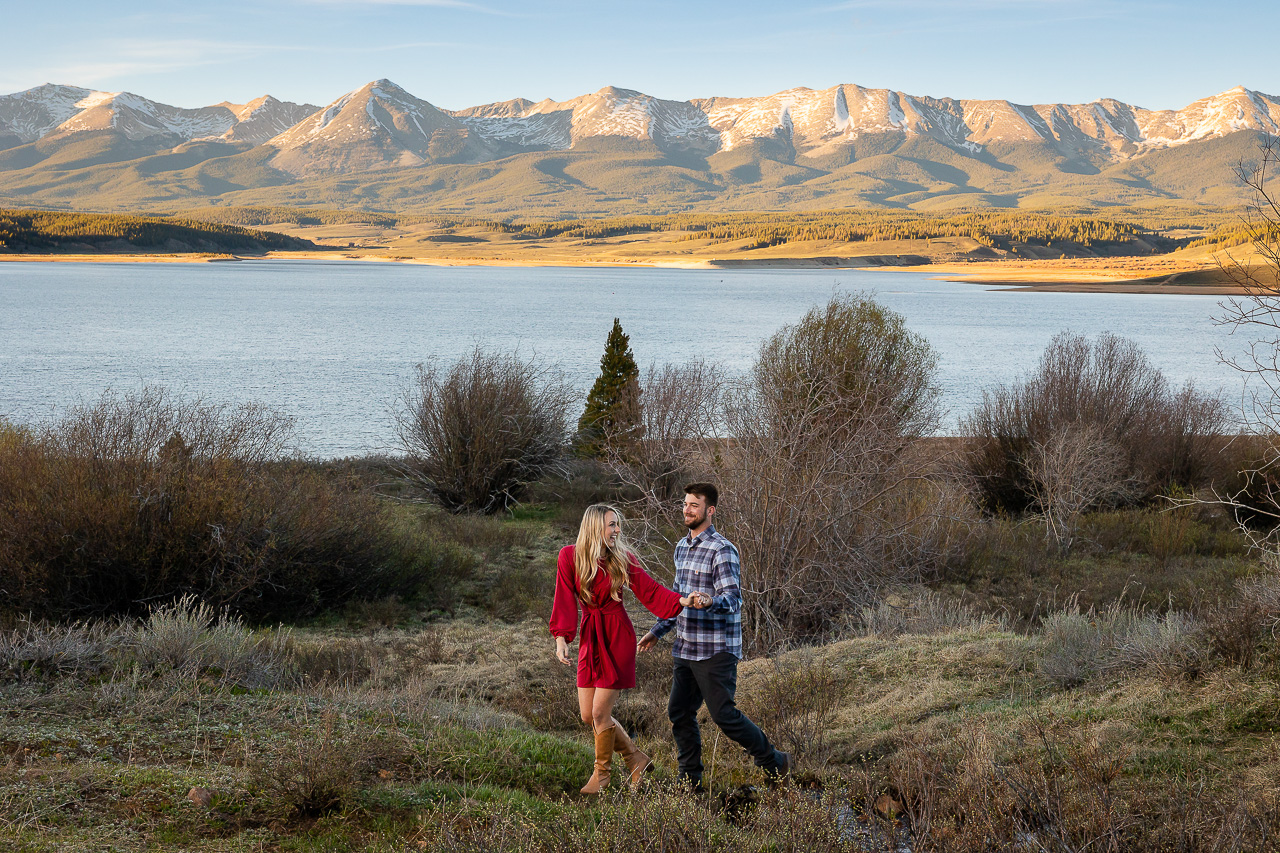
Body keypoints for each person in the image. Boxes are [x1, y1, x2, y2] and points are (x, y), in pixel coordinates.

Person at [638, 482, 792, 789]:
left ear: (710, 511)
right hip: (686, 646)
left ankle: (774, 761)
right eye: (685, 504)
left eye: (694, 505)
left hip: (716, 649)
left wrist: (710, 601)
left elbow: (734, 600)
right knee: (679, 712)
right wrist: (658, 630)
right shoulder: (681, 548)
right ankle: (690, 780)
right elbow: (678, 598)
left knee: (724, 715)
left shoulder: (722, 549)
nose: (687, 510)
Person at [550, 503, 704, 794]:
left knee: (599, 713)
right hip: (590, 637)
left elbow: (651, 590)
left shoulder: (622, 557)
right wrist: (562, 638)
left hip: (617, 636)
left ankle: (602, 776)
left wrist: (681, 601)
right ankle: (635, 758)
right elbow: (564, 599)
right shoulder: (569, 556)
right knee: (587, 715)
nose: (618, 530)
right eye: (612, 525)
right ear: (596, 526)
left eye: (617, 525)